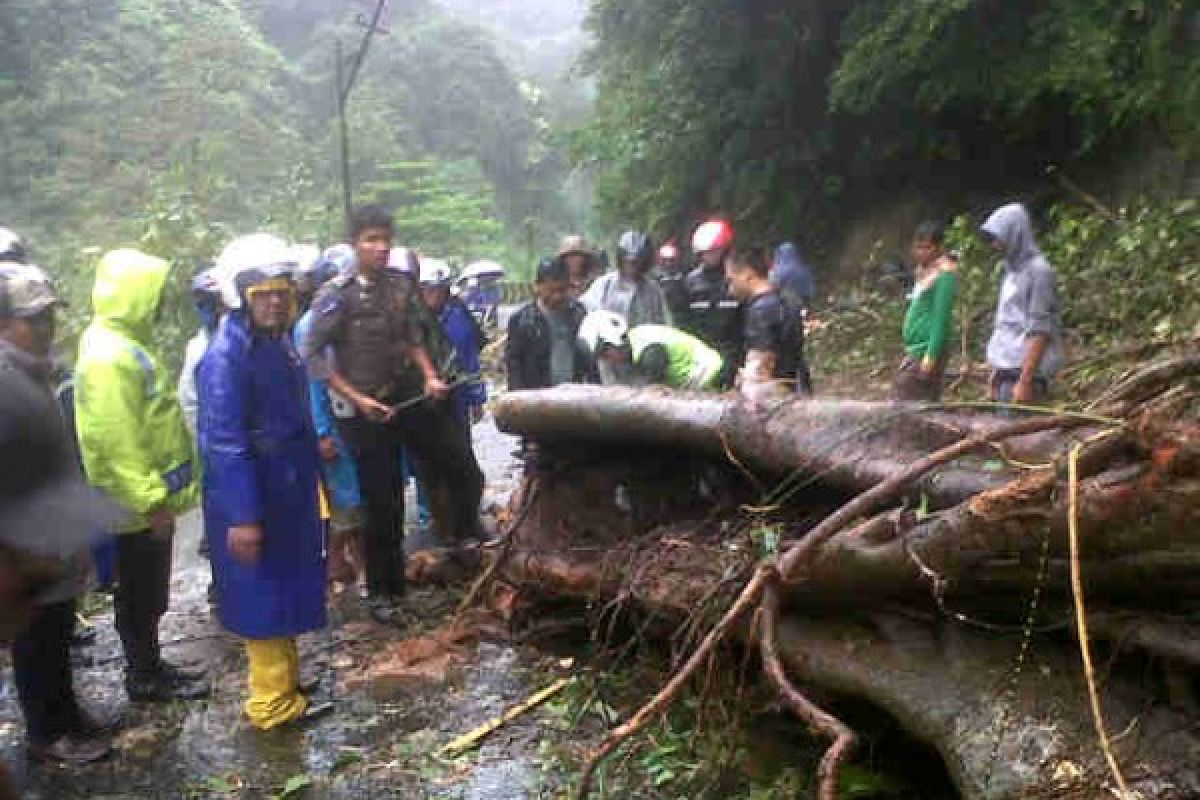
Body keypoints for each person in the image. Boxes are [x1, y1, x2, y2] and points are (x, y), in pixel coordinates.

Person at [301, 206, 484, 625]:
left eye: (385, 239)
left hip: (406, 392)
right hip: (363, 409)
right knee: (382, 502)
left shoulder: (401, 286)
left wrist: (430, 376)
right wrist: (356, 399)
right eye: (370, 239)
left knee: (459, 463)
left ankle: (463, 538)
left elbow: (412, 337)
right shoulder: (336, 294)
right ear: (354, 244)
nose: (380, 247)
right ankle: (386, 593)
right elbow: (313, 356)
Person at [197, 234, 330, 730]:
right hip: (256, 494)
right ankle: (270, 704)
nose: (275, 301)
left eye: (282, 291)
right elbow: (225, 445)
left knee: (285, 589)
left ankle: (286, 683)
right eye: (263, 293)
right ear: (242, 297)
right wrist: (244, 516)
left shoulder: (276, 343)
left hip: (285, 488)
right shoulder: (225, 358)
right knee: (263, 594)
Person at [74, 248, 207, 702]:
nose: (159, 301)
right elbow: (118, 439)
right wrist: (151, 501)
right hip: (134, 506)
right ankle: (144, 676)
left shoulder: (124, 343)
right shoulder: (109, 357)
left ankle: (150, 665)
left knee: (147, 590)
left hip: (142, 502)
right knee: (139, 592)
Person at [1, 262, 117, 764]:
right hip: (23, 540)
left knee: (58, 629)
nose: (46, 328)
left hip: (52, 530)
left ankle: (67, 714)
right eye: (34, 319)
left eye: (50, 316)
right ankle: (47, 734)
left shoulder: (35, 370)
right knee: (36, 640)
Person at [293, 245, 366, 596]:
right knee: (345, 499)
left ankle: (351, 562)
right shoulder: (309, 325)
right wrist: (321, 432)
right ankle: (339, 563)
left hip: (354, 417)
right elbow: (312, 382)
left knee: (357, 496)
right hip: (332, 421)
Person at [981, 203, 1063, 405]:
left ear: (1014, 234)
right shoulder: (1010, 271)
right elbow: (1005, 323)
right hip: (1006, 370)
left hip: (1024, 373)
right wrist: (995, 373)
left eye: (997, 238)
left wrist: (1025, 381)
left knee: (1018, 432)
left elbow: (1040, 329)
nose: (994, 245)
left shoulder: (1039, 272)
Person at [726, 245, 813, 401]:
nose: (730, 289)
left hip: (775, 398)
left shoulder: (761, 310)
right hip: (799, 385)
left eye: (731, 280)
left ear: (747, 275)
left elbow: (761, 364)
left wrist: (745, 385)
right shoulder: (787, 299)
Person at [418, 257, 487, 434]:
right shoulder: (410, 318)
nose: (435, 295)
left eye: (440, 289)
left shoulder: (459, 316)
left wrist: (477, 399)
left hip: (457, 393)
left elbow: (470, 359)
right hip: (419, 395)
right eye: (429, 290)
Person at [505, 256, 593, 391]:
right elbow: (514, 366)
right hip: (537, 397)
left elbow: (589, 358)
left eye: (562, 290)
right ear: (537, 286)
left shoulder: (578, 314)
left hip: (574, 395)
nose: (557, 296)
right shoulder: (522, 320)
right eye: (551, 290)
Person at [893, 222, 958, 402]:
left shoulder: (945, 275)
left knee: (908, 399)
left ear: (938, 248)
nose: (921, 252)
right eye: (918, 247)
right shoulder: (924, 271)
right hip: (915, 349)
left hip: (927, 350)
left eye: (927, 248)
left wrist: (930, 358)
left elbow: (941, 320)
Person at [578, 310, 724, 390]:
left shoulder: (650, 352)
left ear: (615, 341)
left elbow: (655, 394)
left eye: (604, 353)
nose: (606, 360)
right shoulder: (636, 344)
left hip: (708, 375)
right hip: (691, 380)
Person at [683, 219, 741, 386]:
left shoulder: (736, 279)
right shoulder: (691, 282)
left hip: (734, 351)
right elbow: (686, 321)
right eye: (705, 252)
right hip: (703, 353)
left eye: (714, 251)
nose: (709, 256)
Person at [580, 230, 672, 327]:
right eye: (628, 261)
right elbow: (585, 308)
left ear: (645, 263)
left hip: (641, 340)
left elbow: (663, 323)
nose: (632, 266)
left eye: (637, 262)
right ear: (620, 259)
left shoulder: (652, 290)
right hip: (608, 338)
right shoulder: (605, 284)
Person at [178, 269, 225, 438]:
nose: (213, 310)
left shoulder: (247, 340)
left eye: (214, 302)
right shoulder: (198, 349)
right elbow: (189, 402)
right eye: (202, 303)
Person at [770, 242, 816, 312]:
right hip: (804, 306)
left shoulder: (776, 271)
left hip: (785, 309)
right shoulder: (804, 269)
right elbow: (810, 290)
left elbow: (773, 288)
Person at [558, 235, 600, 299]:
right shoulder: (558, 284)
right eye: (568, 256)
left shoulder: (597, 281)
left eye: (576, 255)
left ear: (585, 258)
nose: (572, 260)